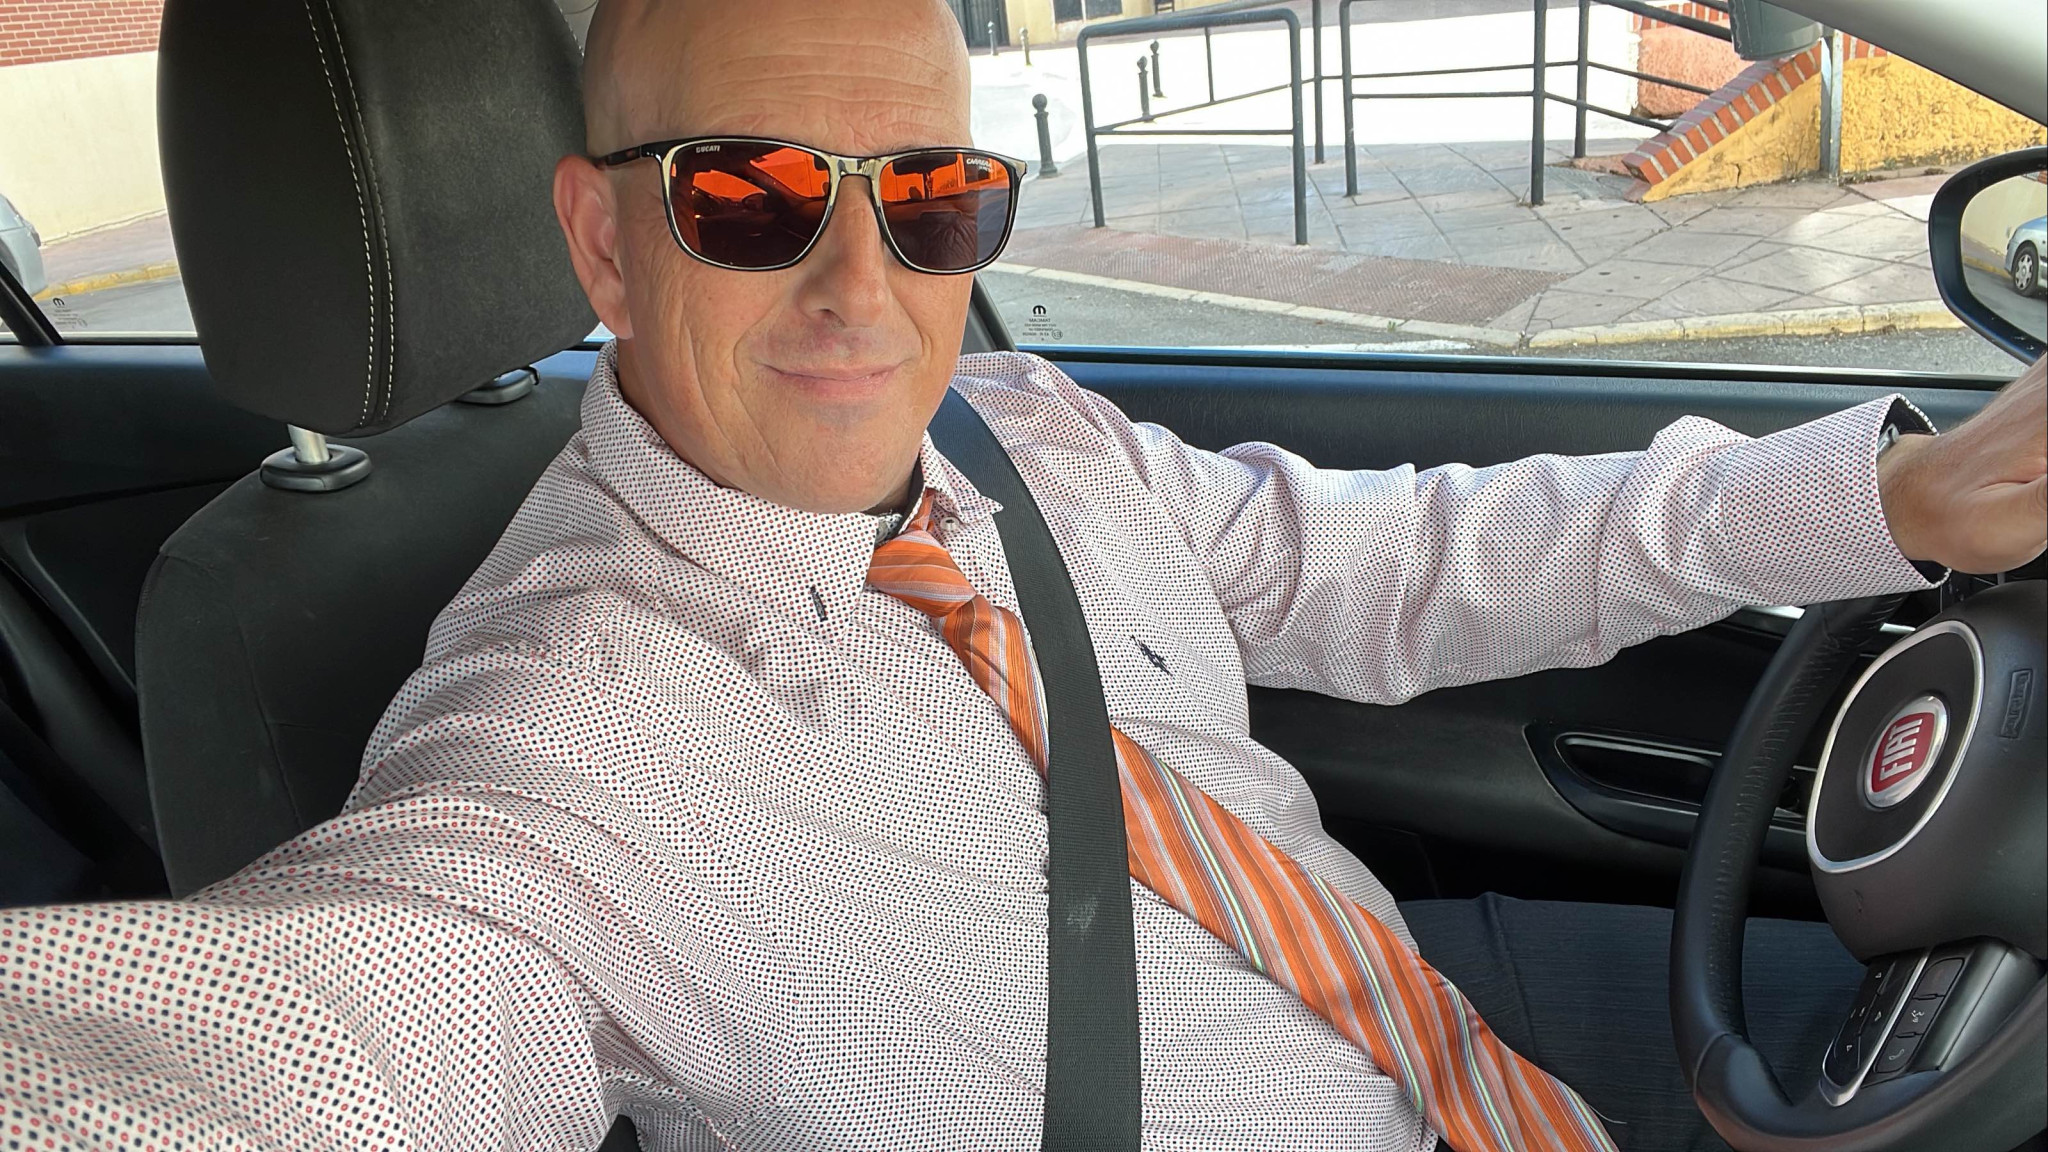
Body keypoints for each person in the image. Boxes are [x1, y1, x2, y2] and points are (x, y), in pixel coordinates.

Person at [3, 0, 2044, 1148]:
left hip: (1416, 1016)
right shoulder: (572, 732)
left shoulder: (1022, 429)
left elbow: (1399, 560)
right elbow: (329, 1030)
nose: (860, 283)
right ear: (603, 239)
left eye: (932, 199)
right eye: (749, 195)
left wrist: (1905, 498)